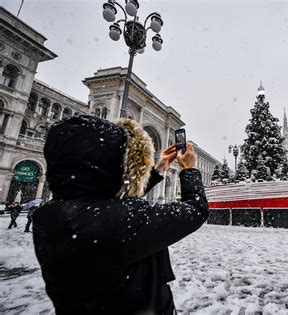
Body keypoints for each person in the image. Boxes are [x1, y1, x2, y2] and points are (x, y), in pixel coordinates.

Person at [32, 115, 209, 315]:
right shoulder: (125, 220)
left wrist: (159, 169)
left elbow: (108, 199)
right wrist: (189, 170)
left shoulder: (46, 216)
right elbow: (195, 210)